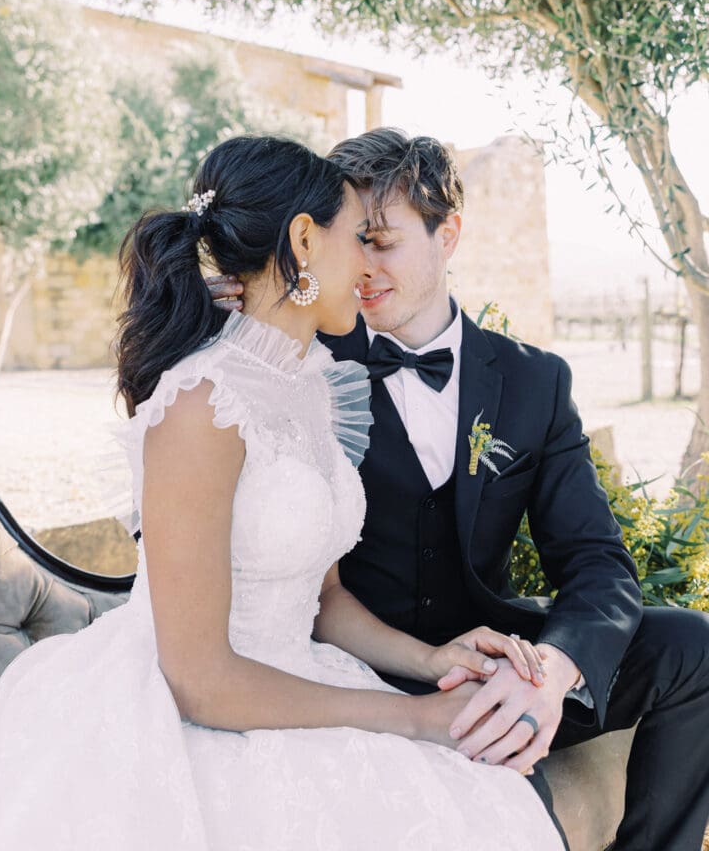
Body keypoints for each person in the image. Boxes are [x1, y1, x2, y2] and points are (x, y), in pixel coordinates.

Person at [0, 135, 565, 850]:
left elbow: (323, 601)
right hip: (186, 710)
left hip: (302, 671)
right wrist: (414, 718)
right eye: (358, 238)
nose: (367, 264)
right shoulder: (201, 407)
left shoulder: (316, 389)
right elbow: (200, 681)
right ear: (304, 240)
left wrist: (431, 661)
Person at [212, 128, 709, 851]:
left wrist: (550, 676)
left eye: (380, 241)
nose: (362, 266)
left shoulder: (535, 382)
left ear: (449, 235)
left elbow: (598, 564)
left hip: (495, 657)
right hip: (359, 665)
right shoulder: (302, 355)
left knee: (694, 643)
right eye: (352, 240)